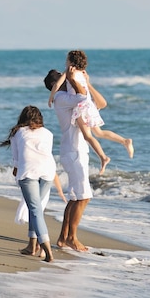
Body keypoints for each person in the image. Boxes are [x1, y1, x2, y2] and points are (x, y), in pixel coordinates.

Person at [48, 50, 134, 174]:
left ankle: (103, 158)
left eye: (66, 60)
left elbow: (57, 86)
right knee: (99, 132)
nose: (65, 63)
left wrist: (51, 97)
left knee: (88, 136)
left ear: (71, 62)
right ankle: (124, 141)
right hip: (89, 104)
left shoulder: (68, 72)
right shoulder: (82, 74)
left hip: (81, 105)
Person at [44, 66, 93, 252]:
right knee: (84, 196)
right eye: (63, 81)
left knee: (75, 197)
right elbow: (82, 97)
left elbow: (95, 101)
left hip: (74, 149)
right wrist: (72, 78)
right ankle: (72, 237)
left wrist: (85, 82)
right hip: (74, 151)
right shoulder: (61, 98)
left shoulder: (65, 98)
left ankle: (64, 238)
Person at [0, 105, 56, 262]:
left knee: (35, 209)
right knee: (36, 208)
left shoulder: (18, 133)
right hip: (48, 171)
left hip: (29, 171)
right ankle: (32, 246)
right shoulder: (48, 133)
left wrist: (16, 170)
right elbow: (46, 154)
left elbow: (16, 159)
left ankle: (48, 252)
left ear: (22, 118)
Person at [14, 175, 67, 257]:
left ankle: (39, 247)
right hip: (44, 184)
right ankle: (36, 246)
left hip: (34, 185)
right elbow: (53, 172)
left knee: (35, 214)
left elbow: (16, 171)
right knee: (37, 215)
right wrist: (60, 190)